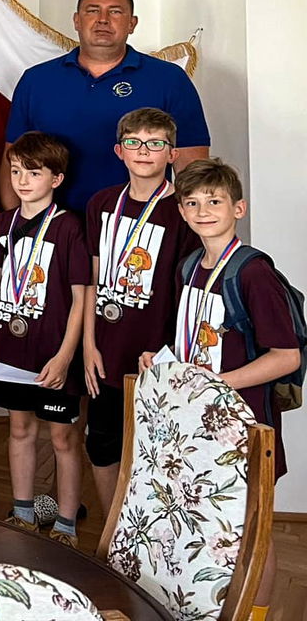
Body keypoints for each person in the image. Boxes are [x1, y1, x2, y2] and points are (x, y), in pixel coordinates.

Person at [142, 159, 300, 621]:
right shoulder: (191, 264)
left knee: (255, 530)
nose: (203, 210)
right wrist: (161, 356)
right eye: (192, 202)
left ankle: (257, 614)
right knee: (214, 524)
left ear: (239, 207)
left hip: (248, 423)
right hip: (199, 421)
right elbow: (194, 334)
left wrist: (219, 384)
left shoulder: (252, 273)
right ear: (182, 211)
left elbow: (286, 356)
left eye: (214, 201)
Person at [2, 0, 209, 212]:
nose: (103, 19)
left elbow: (192, 167)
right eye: (92, 10)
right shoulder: (36, 80)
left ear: (132, 24)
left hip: (140, 230)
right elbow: (13, 160)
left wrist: (189, 232)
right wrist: (15, 227)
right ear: (76, 21)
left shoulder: (170, 80)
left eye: (115, 11)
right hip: (53, 231)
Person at [0, 131, 90, 547]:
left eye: (34, 173)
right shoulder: (0, 224)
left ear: (56, 179)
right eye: (17, 171)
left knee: (62, 437)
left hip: (52, 352)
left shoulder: (70, 228)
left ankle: (65, 523)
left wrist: (64, 357)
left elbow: (81, 300)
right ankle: (23, 511)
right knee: (19, 428)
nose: (23, 181)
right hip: (10, 347)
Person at [81, 108, 198, 514]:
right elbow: (91, 283)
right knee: (103, 443)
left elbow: (189, 291)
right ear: (119, 150)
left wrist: (171, 352)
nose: (143, 150)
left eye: (155, 143)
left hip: (158, 352)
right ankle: (113, 540)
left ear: (172, 154)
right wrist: (88, 345)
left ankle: (151, 541)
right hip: (106, 349)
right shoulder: (100, 204)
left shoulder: (184, 209)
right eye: (133, 142)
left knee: (159, 448)